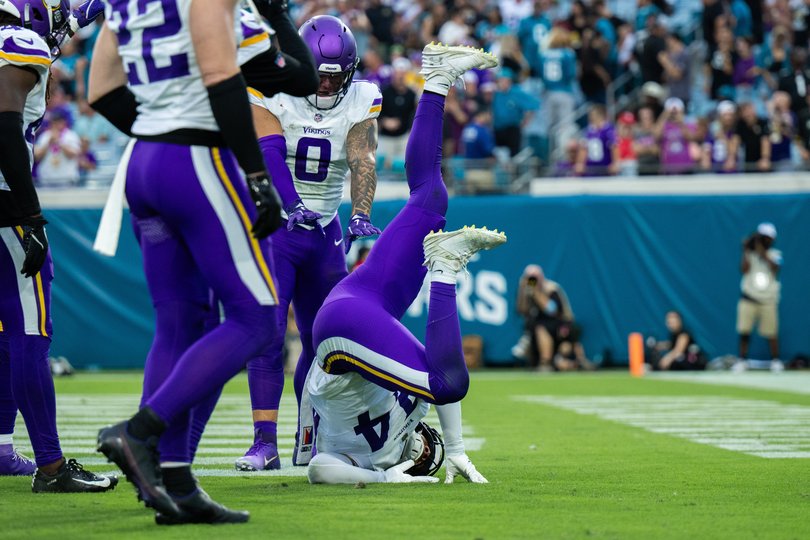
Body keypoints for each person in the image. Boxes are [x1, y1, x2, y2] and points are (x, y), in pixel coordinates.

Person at [91, 0, 292, 525]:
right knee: (259, 320)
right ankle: (139, 434)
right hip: (197, 159)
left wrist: (158, 129)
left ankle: (176, 482)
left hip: (144, 161)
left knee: (181, 324)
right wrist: (255, 173)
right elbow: (223, 73)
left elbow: (100, 89)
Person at [305, 43, 502, 485]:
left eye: (423, 454)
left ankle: (445, 266)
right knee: (432, 200)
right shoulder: (415, 410)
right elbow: (440, 373)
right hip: (361, 305)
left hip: (341, 331)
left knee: (445, 381)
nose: (420, 448)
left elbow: (318, 468)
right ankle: (437, 78)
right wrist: (455, 450)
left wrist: (385, 479)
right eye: (427, 447)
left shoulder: (371, 461)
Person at [232, 15, 383, 471]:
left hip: (324, 232)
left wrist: (360, 212)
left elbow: (362, 157)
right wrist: (292, 203)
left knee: (326, 340)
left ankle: (311, 434)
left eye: (337, 75)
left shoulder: (362, 97)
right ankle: (264, 443)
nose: (327, 84)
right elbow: (271, 152)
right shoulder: (271, 85)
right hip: (278, 228)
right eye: (320, 73)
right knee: (268, 333)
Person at [0, 0, 117, 492]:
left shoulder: (27, 40)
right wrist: (29, 214)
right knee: (30, 331)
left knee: (7, 331)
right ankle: (51, 467)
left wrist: (72, 21)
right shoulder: (19, 44)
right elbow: (4, 125)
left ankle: (3, 448)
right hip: (6, 206)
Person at [737, 222, 782, 365]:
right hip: (749, 298)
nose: (765, 240)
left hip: (768, 300)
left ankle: (775, 361)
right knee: (744, 331)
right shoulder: (750, 254)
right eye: (763, 238)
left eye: (767, 238)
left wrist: (761, 249)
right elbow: (743, 269)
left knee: (771, 332)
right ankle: (742, 360)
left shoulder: (776, 254)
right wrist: (746, 249)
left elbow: (775, 267)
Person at [516, 265, 575, 370]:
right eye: (530, 278)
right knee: (535, 327)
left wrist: (536, 294)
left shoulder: (551, 288)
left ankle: (546, 362)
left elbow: (552, 310)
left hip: (560, 324)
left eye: (535, 277)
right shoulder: (526, 290)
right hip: (537, 326)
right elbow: (522, 311)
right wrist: (523, 292)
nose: (532, 280)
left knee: (541, 327)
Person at [378, 58, 416, 170]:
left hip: (403, 136)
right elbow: (375, 112)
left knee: (403, 166)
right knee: (383, 166)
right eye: (398, 74)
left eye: (403, 74)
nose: (400, 77)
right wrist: (384, 121)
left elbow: (413, 115)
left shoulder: (411, 94)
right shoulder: (384, 91)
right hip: (385, 136)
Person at [33, 107, 81, 186]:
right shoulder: (45, 136)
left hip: (67, 180)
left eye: (59, 122)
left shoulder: (71, 135)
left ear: (64, 122)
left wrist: (60, 142)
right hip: (46, 180)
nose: (56, 125)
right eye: (54, 122)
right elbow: (37, 156)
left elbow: (74, 154)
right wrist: (48, 143)